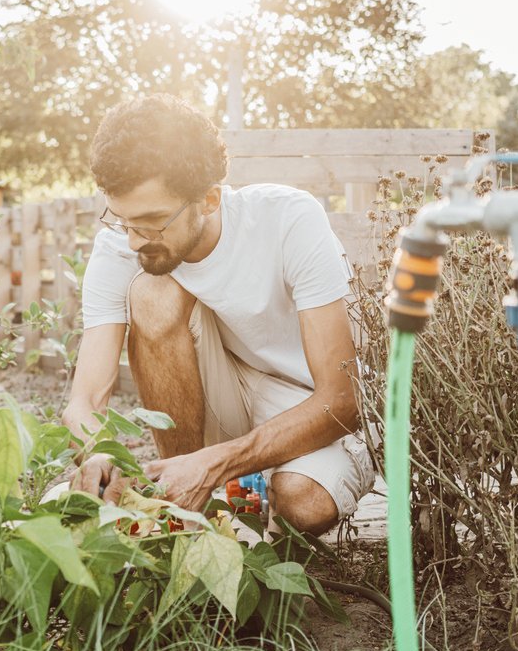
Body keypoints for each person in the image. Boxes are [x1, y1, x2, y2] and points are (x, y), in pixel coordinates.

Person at [64, 94, 375, 535]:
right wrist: (96, 451)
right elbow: (86, 400)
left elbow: (342, 400)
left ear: (208, 199)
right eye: (122, 219)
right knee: (153, 292)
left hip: (307, 404)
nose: (133, 240)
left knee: (302, 503)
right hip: (222, 399)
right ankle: (191, 512)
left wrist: (216, 462)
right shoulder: (120, 246)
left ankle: (224, 483)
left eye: (152, 221)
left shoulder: (288, 219)